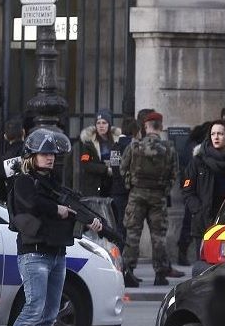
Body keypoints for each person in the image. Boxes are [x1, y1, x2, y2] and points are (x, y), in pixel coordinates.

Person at [0, 128, 103, 326]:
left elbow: (69, 207)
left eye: (52, 154)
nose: (50, 158)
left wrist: (89, 220)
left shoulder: (54, 183)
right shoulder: (23, 180)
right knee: (33, 309)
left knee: (49, 313)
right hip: (34, 253)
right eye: (44, 153)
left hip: (56, 252)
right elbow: (30, 204)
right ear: (32, 156)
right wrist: (57, 209)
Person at [120, 111, 184, 287]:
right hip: (158, 197)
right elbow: (174, 174)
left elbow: (123, 168)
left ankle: (128, 272)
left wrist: (130, 185)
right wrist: (164, 189)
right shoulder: (169, 148)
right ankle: (160, 274)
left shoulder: (134, 146)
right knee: (158, 237)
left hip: (136, 195)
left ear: (146, 126)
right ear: (161, 126)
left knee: (132, 234)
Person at [182, 120, 225, 262]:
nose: (216, 137)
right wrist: (198, 209)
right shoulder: (198, 161)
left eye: (220, 134)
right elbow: (187, 189)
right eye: (213, 134)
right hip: (204, 219)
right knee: (204, 263)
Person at [175, 120, 213, 266]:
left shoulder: (191, 146)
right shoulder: (195, 150)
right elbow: (188, 175)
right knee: (189, 224)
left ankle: (184, 252)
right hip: (195, 194)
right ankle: (183, 252)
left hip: (197, 193)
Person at [78, 109, 121, 197]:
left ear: (109, 125)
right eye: (98, 123)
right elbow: (85, 164)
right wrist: (105, 169)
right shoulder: (89, 143)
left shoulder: (117, 141)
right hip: (95, 185)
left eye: (104, 123)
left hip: (113, 184)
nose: (101, 126)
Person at [110, 117, 138, 254]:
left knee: (119, 226)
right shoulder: (133, 147)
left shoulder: (115, 147)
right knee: (129, 227)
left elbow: (114, 167)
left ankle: (118, 255)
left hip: (116, 190)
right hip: (130, 191)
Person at [0, 117, 25, 202]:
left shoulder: (3, 161)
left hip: (15, 204)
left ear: (5, 136)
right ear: (23, 132)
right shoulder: (32, 153)